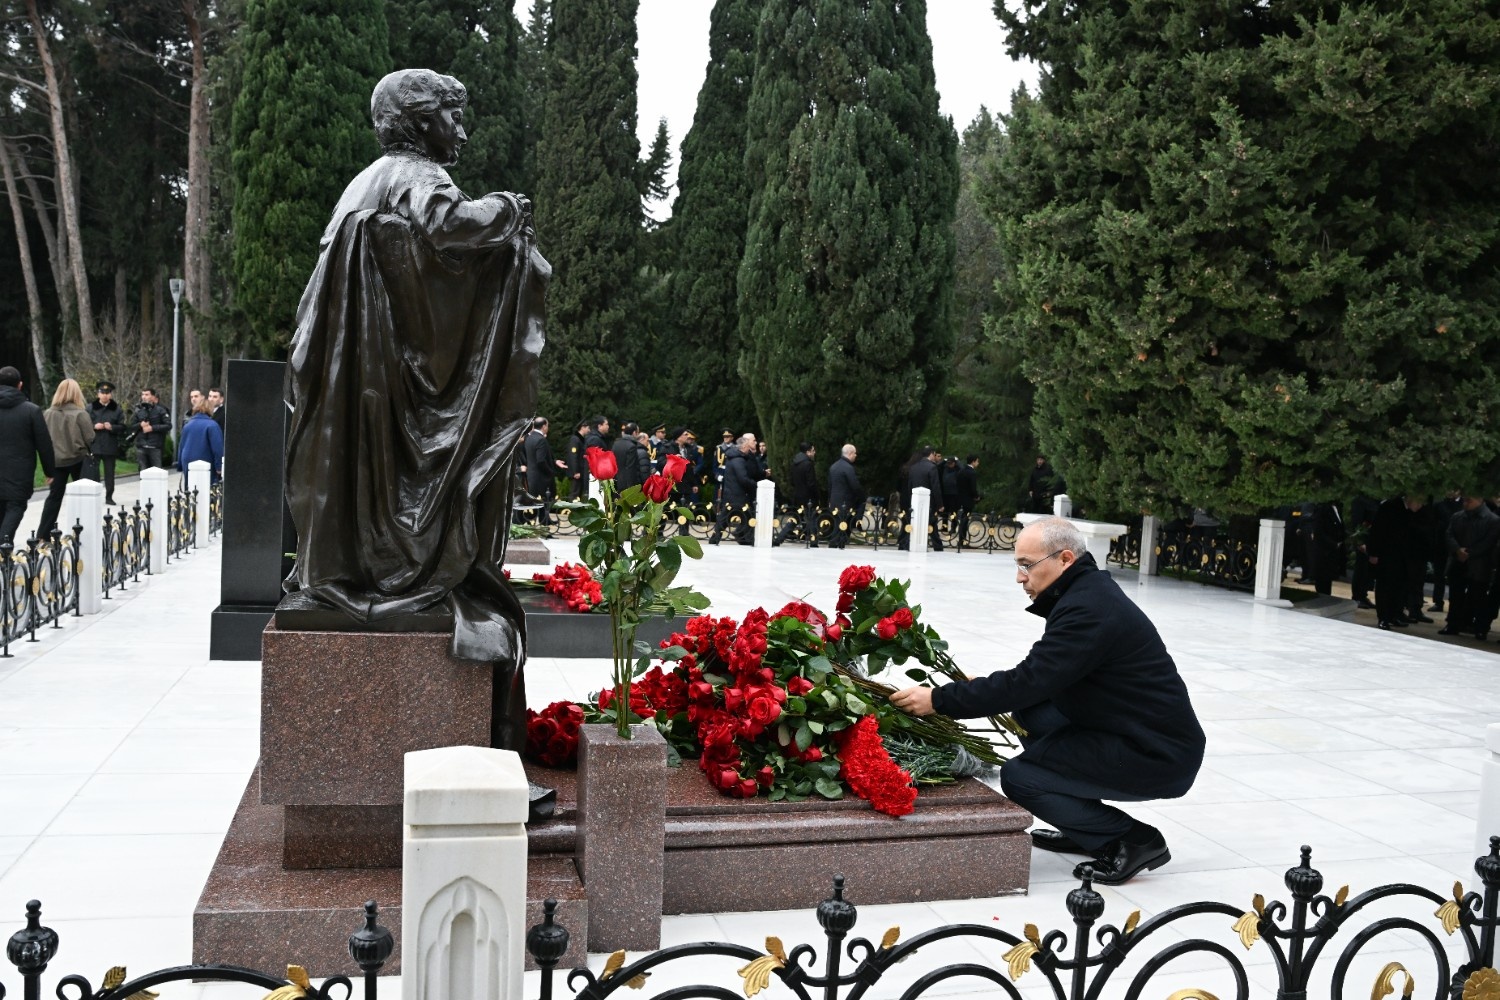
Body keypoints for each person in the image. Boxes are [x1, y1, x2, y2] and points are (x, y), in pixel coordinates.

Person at [282, 67, 545, 752]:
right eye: (452, 115)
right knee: (415, 486)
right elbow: (448, 228)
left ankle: (353, 563)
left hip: (356, 375)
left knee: (367, 480)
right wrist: (509, 211)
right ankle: (397, 565)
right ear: (421, 120)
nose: (461, 128)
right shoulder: (418, 175)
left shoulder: (364, 181)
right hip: (385, 376)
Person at [890, 517, 1205, 885]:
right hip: (1133, 733)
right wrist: (986, 686)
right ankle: (1085, 825)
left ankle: (1132, 840)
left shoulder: (1089, 608)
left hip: (1157, 753)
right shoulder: (1085, 593)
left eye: (1026, 565)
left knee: (1022, 778)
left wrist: (938, 700)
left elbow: (1030, 680)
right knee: (1033, 712)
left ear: (1065, 558)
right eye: (1018, 566)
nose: (1020, 577)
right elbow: (1044, 677)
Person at [0, 367, 54, 544]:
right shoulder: (31, 410)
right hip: (19, 472)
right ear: (20, 385)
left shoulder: (31, 410)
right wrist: (50, 471)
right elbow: (44, 445)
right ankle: (3, 548)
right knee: (15, 507)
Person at [37, 378, 95, 539]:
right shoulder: (81, 414)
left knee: (54, 497)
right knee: (83, 497)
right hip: (78, 459)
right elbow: (90, 437)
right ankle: (82, 532)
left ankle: (43, 533)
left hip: (56, 461)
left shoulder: (48, 414)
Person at [1440, 496, 1500, 639]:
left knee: (1478, 597)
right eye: (1465, 501)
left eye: (1469, 501)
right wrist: (1457, 549)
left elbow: (1489, 542)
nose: (1465, 503)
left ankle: (1480, 628)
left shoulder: (1493, 520)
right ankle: (1453, 624)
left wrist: (1469, 553)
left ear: (1480, 500)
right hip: (1458, 561)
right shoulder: (1457, 516)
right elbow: (1449, 534)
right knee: (1455, 596)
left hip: (1479, 564)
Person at [712, 432, 762, 545]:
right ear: (743, 447)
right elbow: (743, 478)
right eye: (747, 447)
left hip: (732, 493)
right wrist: (755, 484)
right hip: (737, 495)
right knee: (746, 517)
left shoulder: (734, 457)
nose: (749, 449)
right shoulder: (738, 460)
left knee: (728, 518)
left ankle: (718, 537)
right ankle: (743, 537)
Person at [85, 381, 126, 504]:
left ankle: (109, 496)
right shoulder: (90, 408)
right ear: (98, 394)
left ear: (111, 395)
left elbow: (123, 427)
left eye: (107, 393)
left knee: (109, 474)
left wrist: (112, 427)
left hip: (110, 445)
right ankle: (94, 495)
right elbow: (83, 425)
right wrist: (93, 426)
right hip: (95, 445)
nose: (105, 395)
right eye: (102, 393)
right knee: (93, 473)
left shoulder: (117, 409)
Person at [899, 446, 944, 552]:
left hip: (914, 501)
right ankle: (938, 547)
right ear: (932, 454)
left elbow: (910, 485)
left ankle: (904, 544)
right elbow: (935, 487)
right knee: (931, 524)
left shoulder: (914, 467)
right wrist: (940, 504)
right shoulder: (932, 467)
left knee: (915, 524)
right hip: (928, 502)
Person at [774, 442, 818, 547]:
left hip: (797, 495)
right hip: (808, 497)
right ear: (808, 452)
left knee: (795, 518)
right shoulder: (808, 463)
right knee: (812, 518)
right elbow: (811, 483)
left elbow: (792, 481)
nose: (814, 453)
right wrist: (816, 495)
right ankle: (813, 541)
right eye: (813, 450)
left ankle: (779, 538)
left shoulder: (795, 463)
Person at [522, 417, 565, 522]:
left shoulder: (529, 438)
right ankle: (544, 521)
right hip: (541, 476)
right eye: (547, 426)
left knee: (539, 501)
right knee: (544, 500)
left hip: (532, 475)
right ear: (544, 426)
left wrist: (554, 461)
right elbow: (541, 460)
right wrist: (551, 472)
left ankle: (544, 519)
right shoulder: (541, 439)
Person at [176, 397, 224, 482]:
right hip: (206, 462)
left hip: (187, 461)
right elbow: (217, 448)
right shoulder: (212, 425)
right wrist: (219, 467)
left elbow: (181, 446)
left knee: (190, 489)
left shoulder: (188, 425)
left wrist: (180, 465)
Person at [826, 443, 861, 549]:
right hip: (846, 502)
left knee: (837, 524)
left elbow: (830, 485)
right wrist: (861, 497)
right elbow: (855, 486)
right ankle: (836, 544)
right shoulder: (849, 468)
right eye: (854, 453)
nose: (856, 455)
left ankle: (836, 543)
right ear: (850, 453)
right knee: (842, 526)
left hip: (834, 500)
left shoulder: (834, 466)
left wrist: (829, 500)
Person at [132, 388, 169, 469]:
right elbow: (132, 426)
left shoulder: (160, 410)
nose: (144, 397)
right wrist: (140, 424)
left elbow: (168, 426)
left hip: (155, 446)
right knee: (143, 473)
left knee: (156, 473)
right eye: (143, 395)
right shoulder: (139, 411)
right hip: (141, 446)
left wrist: (152, 428)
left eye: (147, 395)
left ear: (153, 396)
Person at [610, 421, 650, 491]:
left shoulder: (616, 444)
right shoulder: (632, 446)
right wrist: (632, 488)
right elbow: (631, 468)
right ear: (634, 433)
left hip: (615, 482)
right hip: (627, 484)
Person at [566, 419, 589, 499]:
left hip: (580, 472)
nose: (589, 430)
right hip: (576, 473)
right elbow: (573, 456)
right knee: (574, 493)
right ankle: (570, 510)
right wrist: (576, 471)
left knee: (578, 494)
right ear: (583, 427)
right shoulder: (575, 439)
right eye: (588, 428)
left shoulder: (581, 440)